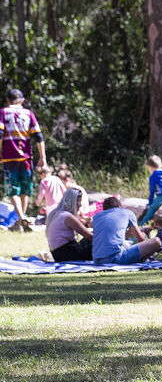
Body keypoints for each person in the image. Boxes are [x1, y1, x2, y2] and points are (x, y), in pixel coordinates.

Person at [1, 89, 47, 232]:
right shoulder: (29, 114)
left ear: (8, 100)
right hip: (27, 158)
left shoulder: (3, 112)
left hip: (9, 157)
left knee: (12, 190)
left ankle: (21, 219)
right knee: (25, 190)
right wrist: (43, 158)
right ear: (21, 100)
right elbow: (39, 137)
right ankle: (21, 221)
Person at [91, 196, 162, 265]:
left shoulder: (96, 217)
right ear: (119, 206)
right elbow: (141, 239)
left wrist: (128, 234)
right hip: (116, 258)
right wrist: (144, 235)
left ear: (104, 208)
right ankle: (143, 260)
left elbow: (112, 236)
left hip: (97, 261)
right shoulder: (127, 213)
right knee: (156, 241)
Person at [46, 187, 93, 262]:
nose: (80, 205)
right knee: (97, 240)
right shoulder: (68, 217)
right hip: (67, 254)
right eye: (78, 202)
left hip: (58, 254)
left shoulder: (56, 214)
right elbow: (89, 236)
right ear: (72, 202)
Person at [139, 155, 162, 226]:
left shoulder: (153, 176)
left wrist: (149, 204)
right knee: (155, 203)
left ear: (150, 167)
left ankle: (141, 225)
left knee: (150, 210)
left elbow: (152, 192)